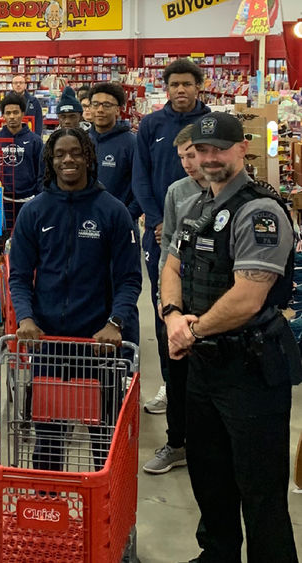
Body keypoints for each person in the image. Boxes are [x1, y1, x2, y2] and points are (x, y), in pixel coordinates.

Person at [161, 112, 300, 562]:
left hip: (252, 369)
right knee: (210, 476)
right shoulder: (199, 205)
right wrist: (171, 315)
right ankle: (216, 555)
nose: (208, 158)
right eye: (200, 151)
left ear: (242, 149)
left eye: (218, 148)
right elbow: (172, 265)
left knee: (260, 491)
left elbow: (247, 298)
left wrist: (190, 329)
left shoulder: (260, 211)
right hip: (205, 366)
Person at [10, 127, 141, 472]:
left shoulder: (112, 211)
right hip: (50, 343)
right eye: (60, 154)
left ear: (89, 157)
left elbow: (129, 278)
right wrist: (25, 318)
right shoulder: (34, 212)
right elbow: (20, 276)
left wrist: (115, 323)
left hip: (99, 346)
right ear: (50, 162)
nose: (68, 159)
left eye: (76, 152)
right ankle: (49, 505)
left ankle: (104, 514)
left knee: (104, 439)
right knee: (48, 436)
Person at [132, 58, 210, 414]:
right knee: (165, 307)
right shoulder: (151, 124)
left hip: (210, 234)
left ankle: (203, 388)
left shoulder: (213, 124)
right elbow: (141, 176)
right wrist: (158, 219)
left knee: (205, 306)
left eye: (186, 84)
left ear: (199, 86)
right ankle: (170, 382)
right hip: (161, 232)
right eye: (174, 84)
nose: (180, 90)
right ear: (166, 88)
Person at [142, 124, 208, 476]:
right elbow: (168, 244)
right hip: (180, 297)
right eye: (181, 157)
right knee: (178, 373)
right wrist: (164, 299)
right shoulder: (176, 192)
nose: (186, 163)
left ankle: (209, 446)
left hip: (215, 299)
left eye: (192, 155)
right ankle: (177, 443)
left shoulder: (229, 192)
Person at [0, 92, 44, 228]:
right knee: (4, 242)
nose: (12, 117)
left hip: (29, 201)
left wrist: (38, 196)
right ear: (3, 115)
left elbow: (42, 172)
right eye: (8, 113)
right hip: (2, 201)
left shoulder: (35, 141)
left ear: (23, 113)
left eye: (15, 112)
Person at [87, 82, 140, 223]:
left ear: (118, 110)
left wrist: (126, 216)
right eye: (95, 104)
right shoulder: (81, 140)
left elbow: (141, 185)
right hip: (85, 221)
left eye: (106, 105)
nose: (100, 110)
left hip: (119, 222)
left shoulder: (131, 143)